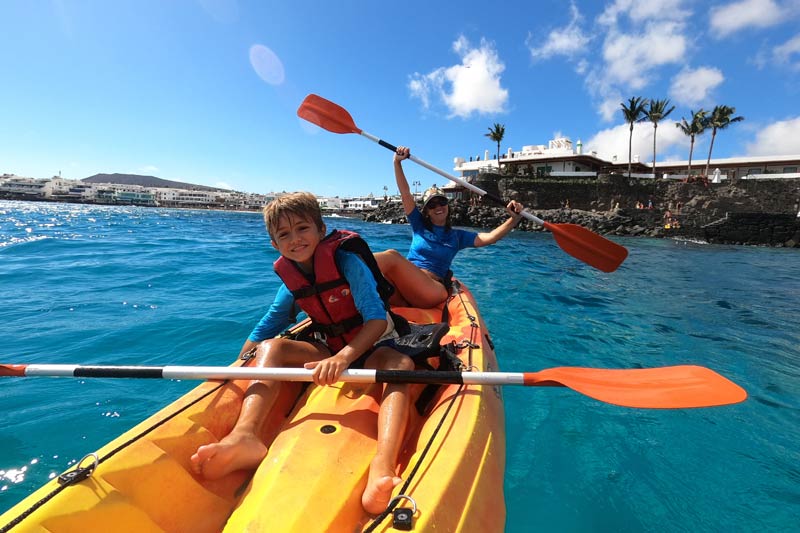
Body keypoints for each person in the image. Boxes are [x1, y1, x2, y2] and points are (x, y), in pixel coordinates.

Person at [190, 192, 414, 515]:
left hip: (375, 343)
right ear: (274, 245)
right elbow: (264, 329)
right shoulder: (290, 282)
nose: (295, 240)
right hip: (329, 345)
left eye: (302, 229)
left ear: (321, 230)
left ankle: (383, 463)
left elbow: (377, 320)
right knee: (272, 347)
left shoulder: (347, 262)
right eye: (284, 234)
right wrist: (236, 365)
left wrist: (344, 358)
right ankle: (245, 435)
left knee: (400, 364)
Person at [375, 146, 524, 308]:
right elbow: (405, 193)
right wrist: (397, 162)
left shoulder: (458, 237)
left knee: (391, 256)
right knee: (375, 277)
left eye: (442, 202)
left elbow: (491, 237)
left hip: (432, 290)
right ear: (427, 212)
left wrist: (513, 219)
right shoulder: (418, 225)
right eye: (432, 205)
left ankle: (345, 264)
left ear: (448, 205)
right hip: (405, 288)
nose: (438, 207)